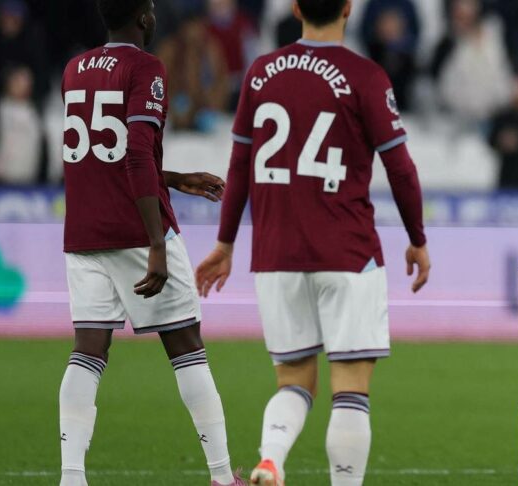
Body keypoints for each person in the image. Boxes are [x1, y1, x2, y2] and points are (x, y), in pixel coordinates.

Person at [194, 0, 430, 484]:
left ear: (297, 8)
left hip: (276, 253)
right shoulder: (365, 76)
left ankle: (271, 459)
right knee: (350, 390)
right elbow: (401, 169)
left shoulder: (260, 74)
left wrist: (225, 242)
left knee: (294, 381)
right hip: (347, 251)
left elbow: (239, 165)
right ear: (348, 9)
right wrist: (417, 239)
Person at [57, 1, 242, 485]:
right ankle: (223, 478)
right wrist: (156, 241)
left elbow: (105, 155)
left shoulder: (75, 69)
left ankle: (71, 476)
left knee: (88, 351)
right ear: (142, 18)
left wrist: (176, 178)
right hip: (136, 229)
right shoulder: (146, 67)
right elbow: (135, 152)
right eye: (152, 7)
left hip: (83, 230)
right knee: (186, 347)